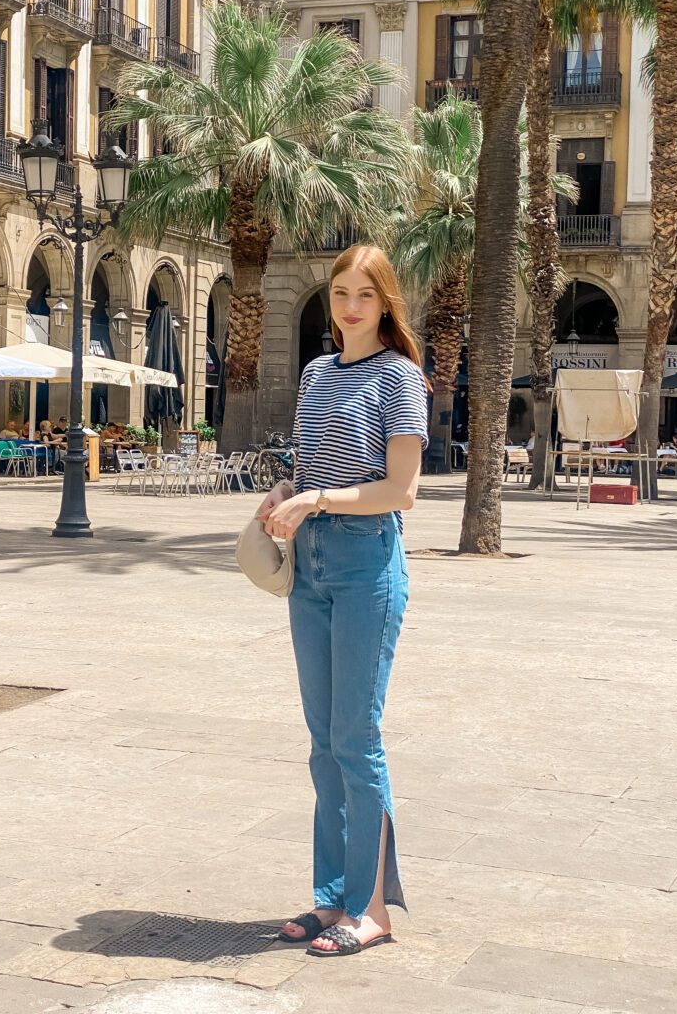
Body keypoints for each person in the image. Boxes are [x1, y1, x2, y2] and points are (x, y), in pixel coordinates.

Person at [257, 244, 429, 958]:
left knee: (357, 741)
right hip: (313, 566)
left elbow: (402, 491)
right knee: (323, 745)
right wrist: (282, 493)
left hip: (368, 565)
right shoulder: (316, 373)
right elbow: (306, 466)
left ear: (386, 302)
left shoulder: (400, 377)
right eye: (339, 292)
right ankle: (332, 898)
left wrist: (321, 498)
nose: (350, 305)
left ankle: (373, 909)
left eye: (365, 294)